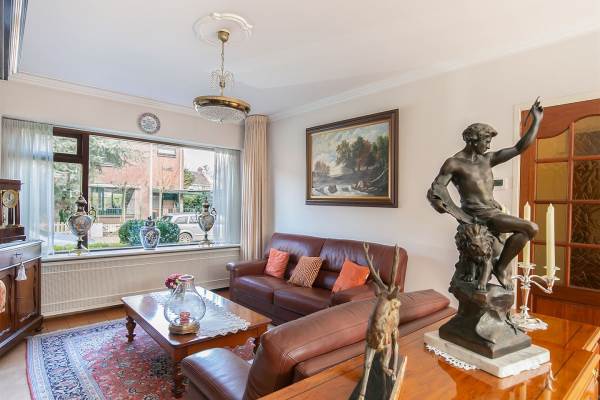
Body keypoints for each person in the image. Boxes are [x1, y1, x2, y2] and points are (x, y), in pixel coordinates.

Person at [427, 99, 544, 290]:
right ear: (473, 140)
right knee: (530, 228)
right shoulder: (454, 163)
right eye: (486, 141)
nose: (489, 146)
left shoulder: (488, 159)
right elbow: (437, 188)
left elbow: (519, 148)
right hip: (477, 216)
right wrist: (441, 205)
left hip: (493, 212)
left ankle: (500, 266)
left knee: (529, 229)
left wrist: (536, 121)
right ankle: (500, 267)